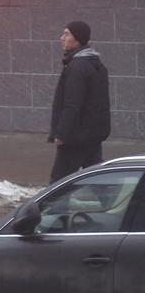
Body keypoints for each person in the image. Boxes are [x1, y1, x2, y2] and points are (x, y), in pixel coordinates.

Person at [48, 21, 110, 183]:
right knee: (98, 181)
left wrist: (61, 134)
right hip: (92, 134)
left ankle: (48, 204)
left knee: (58, 183)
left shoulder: (77, 67)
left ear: (78, 39)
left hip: (75, 137)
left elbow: (72, 104)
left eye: (66, 34)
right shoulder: (96, 64)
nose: (62, 38)